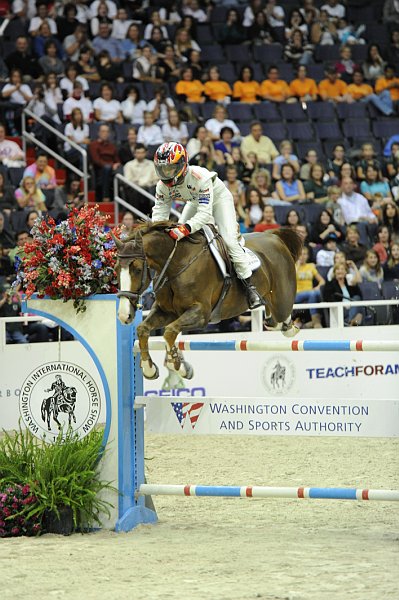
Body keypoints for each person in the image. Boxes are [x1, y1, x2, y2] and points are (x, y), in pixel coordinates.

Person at [152, 141, 264, 309]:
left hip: (219, 200)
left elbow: (204, 214)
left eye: (169, 169)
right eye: (162, 169)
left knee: (229, 241)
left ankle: (250, 288)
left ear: (182, 164)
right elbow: (160, 212)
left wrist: (184, 229)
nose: (165, 173)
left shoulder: (200, 177)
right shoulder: (162, 186)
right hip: (194, 200)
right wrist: (156, 232)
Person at [323, 262, 364, 326]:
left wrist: (354, 284)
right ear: (334, 272)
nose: (340, 271)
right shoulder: (330, 284)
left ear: (346, 272)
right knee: (358, 315)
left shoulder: (348, 283)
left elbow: (359, 295)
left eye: (342, 269)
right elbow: (327, 298)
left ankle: (348, 322)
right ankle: (352, 322)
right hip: (340, 309)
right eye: (338, 269)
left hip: (351, 308)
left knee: (357, 298)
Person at [295, 245, 324, 328]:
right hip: (297, 294)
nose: (302, 256)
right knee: (313, 294)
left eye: (305, 254)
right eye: (300, 254)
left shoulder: (310, 266)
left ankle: (313, 322)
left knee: (317, 293)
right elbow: (289, 281)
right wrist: (297, 266)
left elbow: (322, 281)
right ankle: (316, 322)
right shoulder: (293, 267)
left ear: (307, 256)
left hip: (311, 293)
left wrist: (317, 287)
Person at [89, 123, 120, 201]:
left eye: (106, 131)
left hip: (112, 168)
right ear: (99, 133)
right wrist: (111, 165)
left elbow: (117, 160)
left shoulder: (112, 146)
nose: (105, 133)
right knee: (107, 168)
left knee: (121, 168)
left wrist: (116, 164)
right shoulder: (93, 145)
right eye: (103, 131)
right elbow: (96, 160)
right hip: (100, 169)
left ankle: (122, 199)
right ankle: (105, 196)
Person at [123, 143, 158, 214]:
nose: (140, 155)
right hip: (135, 189)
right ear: (134, 154)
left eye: (142, 152)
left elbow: (156, 179)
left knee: (155, 188)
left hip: (149, 187)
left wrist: (148, 183)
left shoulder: (151, 164)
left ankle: (152, 212)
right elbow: (128, 181)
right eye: (138, 153)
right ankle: (139, 214)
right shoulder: (129, 165)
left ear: (145, 153)